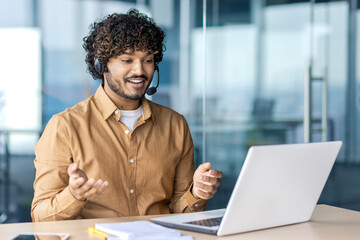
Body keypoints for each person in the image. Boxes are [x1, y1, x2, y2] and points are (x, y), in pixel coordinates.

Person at [31, 9, 222, 222]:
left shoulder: (175, 125)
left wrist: (196, 193)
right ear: (101, 65)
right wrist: (73, 196)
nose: (139, 70)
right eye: (127, 59)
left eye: (148, 60)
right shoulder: (65, 127)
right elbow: (41, 218)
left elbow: (180, 214)